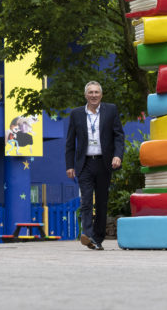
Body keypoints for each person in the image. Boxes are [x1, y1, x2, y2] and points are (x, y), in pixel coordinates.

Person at [65, 81, 124, 250]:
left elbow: (119, 136)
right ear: (85, 95)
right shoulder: (76, 114)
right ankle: (88, 234)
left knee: (102, 202)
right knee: (86, 200)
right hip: (84, 163)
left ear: (101, 95)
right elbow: (70, 143)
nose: (93, 95)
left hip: (104, 163)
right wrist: (70, 165)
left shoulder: (111, 110)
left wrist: (117, 155)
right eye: (90, 92)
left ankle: (97, 239)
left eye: (96, 92)